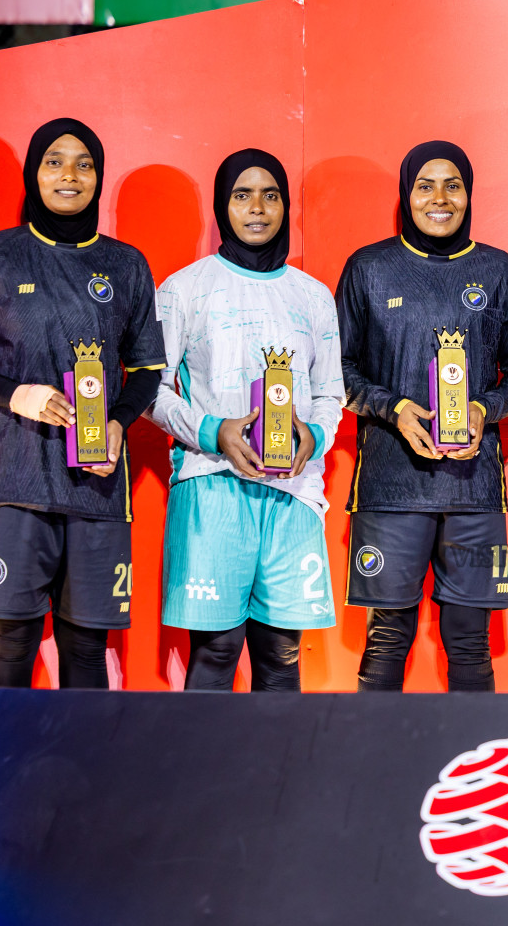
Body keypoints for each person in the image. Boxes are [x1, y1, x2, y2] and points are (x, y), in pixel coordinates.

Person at [0, 117, 165, 688]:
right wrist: (17, 395)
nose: (69, 176)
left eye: (84, 164)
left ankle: (86, 755)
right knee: (12, 647)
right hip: (14, 481)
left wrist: (119, 421)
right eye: (54, 162)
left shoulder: (127, 264)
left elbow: (147, 369)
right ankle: (3, 754)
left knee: (86, 650)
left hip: (97, 488)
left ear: (98, 177)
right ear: (34, 173)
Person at [337, 141, 508, 692]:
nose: (440, 199)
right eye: (425, 186)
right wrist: (395, 409)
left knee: (470, 644)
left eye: (453, 185)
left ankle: (478, 751)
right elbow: (336, 370)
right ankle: (374, 752)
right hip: (390, 485)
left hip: (473, 486)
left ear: (469, 194)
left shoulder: (497, 270)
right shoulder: (369, 268)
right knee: (387, 638)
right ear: (407, 194)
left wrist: (483, 408)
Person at [147, 149, 343, 692]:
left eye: (270, 195)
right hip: (211, 487)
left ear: (285, 206)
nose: (257, 208)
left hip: (294, 493)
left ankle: (278, 756)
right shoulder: (183, 289)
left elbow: (331, 393)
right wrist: (213, 432)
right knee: (216, 651)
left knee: (282, 657)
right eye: (242, 195)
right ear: (221, 207)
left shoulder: (314, 296)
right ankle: (206, 756)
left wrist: (315, 435)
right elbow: (150, 392)